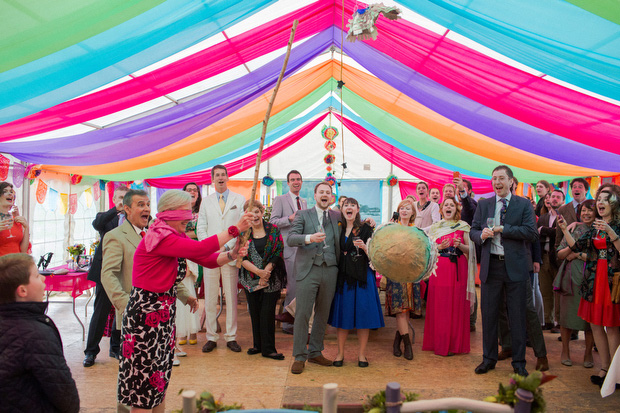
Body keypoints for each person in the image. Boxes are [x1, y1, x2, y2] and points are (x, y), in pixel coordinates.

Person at [117, 190, 251, 411]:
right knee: (143, 387)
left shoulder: (171, 235)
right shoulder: (161, 235)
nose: (191, 219)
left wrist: (232, 254)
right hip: (145, 317)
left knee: (157, 381)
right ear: (172, 214)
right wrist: (234, 230)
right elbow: (200, 248)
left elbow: (205, 259)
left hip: (161, 316)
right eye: (187, 214)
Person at [470, 165, 538, 377]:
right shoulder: (485, 205)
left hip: (516, 268)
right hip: (491, 266)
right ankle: (488, 359)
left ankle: (519, 362)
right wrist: (482, 236)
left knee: (517, 316)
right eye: (494, 179)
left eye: (501, 178)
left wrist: (502, 230)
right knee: (488, 316)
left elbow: (530, 232)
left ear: (510, 182)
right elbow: (473, 230)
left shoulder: (523, 204)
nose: (497, 182)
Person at [557, 184, 620, 387]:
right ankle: (604, 367)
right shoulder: (594, 226)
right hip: (594, 279)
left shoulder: (617, 225)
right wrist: (565, 229)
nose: (600, 203)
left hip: (611, 280)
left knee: (611, 326)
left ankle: (615, 373)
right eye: (599, 199)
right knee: (595, 324)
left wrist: (611, 232)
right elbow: (576, 246)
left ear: (615, 203)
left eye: (605, 199)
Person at [0, 253, 79, 412]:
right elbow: (66, 398)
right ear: (22, 290)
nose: (43, 279)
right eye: (36, 276)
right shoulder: (36, 335)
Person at [287, 181, 341, 374]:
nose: (325, 195)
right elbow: (291, 238)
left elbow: (352, 228)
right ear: (315, 196)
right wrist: (309, 238)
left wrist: (368, 223)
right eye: (321, 192)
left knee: (323, 313)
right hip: (308, 270)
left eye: (328, 192)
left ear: (331, 197)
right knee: (302, 313)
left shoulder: (337, 216)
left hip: (330, 269)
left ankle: (315, 352)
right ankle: (299, 356)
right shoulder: (303, 214)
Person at [329, 197, 384, 367]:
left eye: (353, 205)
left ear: (358, 209)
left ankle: (362, 355)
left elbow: (376, 256)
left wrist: (365, 248)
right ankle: (340, 353)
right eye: (346, 205)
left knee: (363, 316)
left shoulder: (367, 228)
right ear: (341, 209)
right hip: (343, 278)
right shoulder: (337, 228)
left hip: (362, 279)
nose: (349, 207)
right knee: (343, 317)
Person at [197, 165, 246, 353]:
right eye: (217, 175)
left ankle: (231, 336)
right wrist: (209, 246)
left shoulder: (238, 199)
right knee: (210, 296)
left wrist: (226, 246)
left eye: (223, 174)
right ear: (212, 179)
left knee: (231, 295)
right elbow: (201, 226)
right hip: (210, 255)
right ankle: (211, 336)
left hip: (230, 253)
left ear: (227, 177)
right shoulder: (206, 201)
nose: (220, 178)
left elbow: (240, 226)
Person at [423, 197, 475, 356]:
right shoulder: (434, 228)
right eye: (446, 205)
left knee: (456, 305)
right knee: (440, 306)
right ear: (441, 209)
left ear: (456, 209)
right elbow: (429, 251)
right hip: (440, 270)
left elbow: (471, 252)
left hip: (458, 270)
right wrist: (439, 247)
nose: (448, 207)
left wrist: (460, 245)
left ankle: (454, 344)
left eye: (452, 205)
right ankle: (439, 343)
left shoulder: (464, 227)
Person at [84, 185, 128, 367]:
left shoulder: (133, 218)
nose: (122, 200)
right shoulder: (105, 216)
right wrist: (116, 210)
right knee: (100, 311)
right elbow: (97, 224)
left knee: (121, 309)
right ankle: (90, 352)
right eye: (119, 197)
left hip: (125, 269)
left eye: (125, 198)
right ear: (114, 199)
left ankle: (116, 347)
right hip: (105, 269)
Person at [239, 200, 287, 360]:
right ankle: (257, 345)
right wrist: (258, 272)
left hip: (271, 279)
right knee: (255, 312)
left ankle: (268, 349)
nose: (255, 215)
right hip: (251, 279)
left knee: (267, 313)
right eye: (250, 213)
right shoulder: (244, 233)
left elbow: (279, 250)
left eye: (257, 211)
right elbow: (241, 258)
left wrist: (266, 271)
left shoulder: (273, 230)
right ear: (246, 216)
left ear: (262, 212)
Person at [556, 199, 596, 368]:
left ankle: (588, 352)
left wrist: (577, 255)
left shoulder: (600, 231)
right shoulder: (575, 228)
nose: (586, 214)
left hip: (592, 278)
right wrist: (571, 251)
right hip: (571, 278)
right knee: (566, 316)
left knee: (590, 320)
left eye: (590, 210)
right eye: (584, 210)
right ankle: (565, 350)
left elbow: (598, 257)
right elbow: (560, 253)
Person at [269, 170, 307, 334]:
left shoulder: (304, 202)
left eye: (298, 179)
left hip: (303, 248)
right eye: (292, 180)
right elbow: (272, 222)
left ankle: (298, 319)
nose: (296, 182)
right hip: (288, 250)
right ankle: (288, 324)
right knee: (292, 286)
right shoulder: (280, 199)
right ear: (288, 183)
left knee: (302, 285)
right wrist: (289, 219)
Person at [385, 198, 417, 360]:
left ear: (412, 213)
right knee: (400, 310)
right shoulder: (391, 228)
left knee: (406, 311)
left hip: (411, 275)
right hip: (396, 274)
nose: (404, 211)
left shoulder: (416, 230)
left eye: (407, 208)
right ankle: (408, 344)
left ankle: (397, 341)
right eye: (401, 208)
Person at [176, 182, 202, 348]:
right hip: (180, 252)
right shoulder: (178, 212)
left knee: (195, 289)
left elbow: (201, 232)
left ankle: (193, 329)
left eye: (195, 190)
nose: (192, 192)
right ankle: (182, 330)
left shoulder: (202, 212)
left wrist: (185, 234)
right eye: (189, 190)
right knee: (183, 289)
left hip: (198, 252)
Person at [538, 189, 565, 332]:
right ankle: (547, 320)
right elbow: (537, 235)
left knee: (559, 292)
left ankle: (559, 322)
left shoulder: (564, 216)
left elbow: (560, 232)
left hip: (558, 258)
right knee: (545, 290)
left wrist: (544, 230)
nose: (554, 199)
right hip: (544, 256)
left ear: (563, 200)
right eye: (552, 196)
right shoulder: (543, 217)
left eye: (558, 197)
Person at [554, 178, 589, 250]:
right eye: (574, 187)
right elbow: (559, 234)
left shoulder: (593, 206)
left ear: (586, 190)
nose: (576, 189)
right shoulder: (562, 209)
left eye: (580, 187)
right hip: (568, 250)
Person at [0, 182, 29, 256]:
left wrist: (26, 228)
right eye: (5, 191)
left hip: (16, 264)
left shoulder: (15, 219)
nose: (10, 194)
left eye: (11, 191)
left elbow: (23, 251)